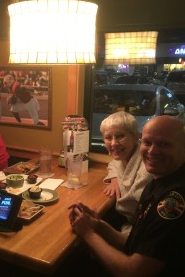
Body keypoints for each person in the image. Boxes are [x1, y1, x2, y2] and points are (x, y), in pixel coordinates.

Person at [68, 115, 185, 276]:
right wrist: (97, 224)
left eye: (164, 144)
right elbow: (134, 243)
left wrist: (88, 234)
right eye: (147, 142)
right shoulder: (159, 179)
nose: (152, 151)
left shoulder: (173, 202)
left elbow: (132, 272)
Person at [100, 111, 153, 234]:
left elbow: (130, 206)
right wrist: (114, 179)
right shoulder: (124, 156)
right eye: (108, 137)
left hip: (140, 226)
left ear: (136, 137)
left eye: (120, 136)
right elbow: (113, 164)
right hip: (126, 218)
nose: (113, 143)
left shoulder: (146, 166)